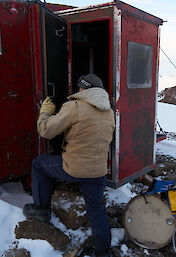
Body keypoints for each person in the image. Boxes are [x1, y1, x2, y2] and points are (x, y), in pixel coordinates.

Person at [23, 74, 115, 257]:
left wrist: (45, 112)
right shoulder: (109, 111)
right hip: (98, 171)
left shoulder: (74, 107)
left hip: (74, 168)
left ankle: (41, 209)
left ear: (83, 89)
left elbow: (46, 131)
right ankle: (103, 251)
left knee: (39, 164)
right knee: (96, 209)